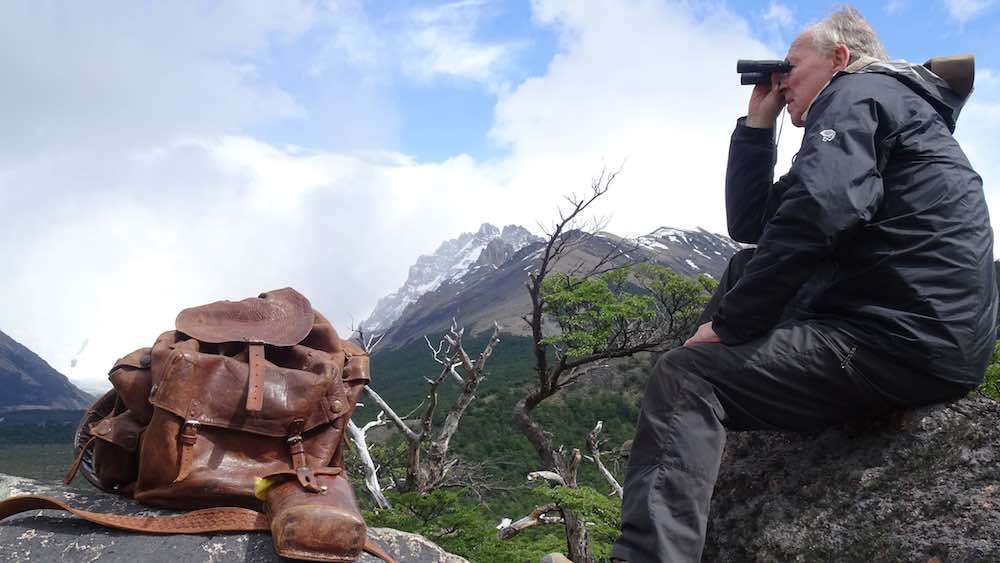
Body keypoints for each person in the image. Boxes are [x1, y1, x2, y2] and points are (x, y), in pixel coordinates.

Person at [611, 6, 997, 562]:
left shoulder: (857, 94)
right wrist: (758, 124)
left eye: (791, 67)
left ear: (839, 59)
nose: (780, 80)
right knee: (745, 268)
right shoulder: (889, 105)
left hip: (895, 339)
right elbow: (752, 227)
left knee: (686, 377)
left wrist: (727, 327)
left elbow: (822, 208)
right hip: (920, 333)